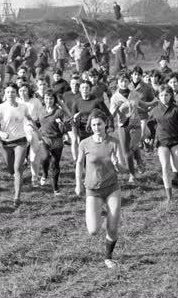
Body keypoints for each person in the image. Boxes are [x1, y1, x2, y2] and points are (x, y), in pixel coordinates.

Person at [75, 109, 124, 269]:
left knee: (112, 226)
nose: (97, 127)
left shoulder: (114, 142)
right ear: (90, 126)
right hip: (92, 189)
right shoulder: (84, 143)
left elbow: (124, 169)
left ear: (105, 125)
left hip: (112, 188)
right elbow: (78, 164)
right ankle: (98, 212)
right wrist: (77, 183)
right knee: (93, 231)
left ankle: (108, 257)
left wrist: (117, 164)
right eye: (94, 124)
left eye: (100, 124)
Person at [0, 83, 35, 208]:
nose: (10, 94)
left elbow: (29, 118)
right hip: (5, 143)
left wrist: (36, 129)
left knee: (17, 169)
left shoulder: (23, 107)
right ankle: (20, 167)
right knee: (10, 169)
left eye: (13, 92)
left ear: (16, 94)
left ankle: (17, 197)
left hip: (20, 141)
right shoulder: (0, 107)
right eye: (8, 92)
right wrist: (1, 133)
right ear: (5, 93)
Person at [147, 85, 178, 201]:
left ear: (171, 95)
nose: (164, 97)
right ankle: (169, 196)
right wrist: (149, 137)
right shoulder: (155, 110)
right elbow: (150, 125)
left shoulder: (176, 108)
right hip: (162, 142)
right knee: (165, 166)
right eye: (161, 95)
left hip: (176, 141)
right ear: (158, 97)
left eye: (166, 95)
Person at [36, 89, 68, 195]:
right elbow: (38, 123)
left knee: (55, 164)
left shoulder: (59, 112)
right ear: (44, 100)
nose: (48, 100)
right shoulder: (41, 110)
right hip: (45, 139)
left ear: (54, 100)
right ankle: (44, 174)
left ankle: (55, 188)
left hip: (57, 140)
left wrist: (61, 124)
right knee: (45, 158)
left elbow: (64, 130)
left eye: (51, 98)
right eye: (46, 98)